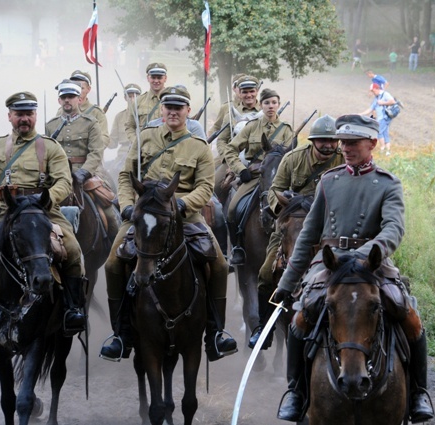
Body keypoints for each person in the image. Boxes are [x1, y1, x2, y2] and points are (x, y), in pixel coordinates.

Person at [272, 114, 434, 423]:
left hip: (372, 264)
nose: (345, 148)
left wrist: (362, 255)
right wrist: (287, 281)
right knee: (300, 317)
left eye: (352, 143)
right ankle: (296, 393)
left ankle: (417, 394)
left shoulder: (388, 183)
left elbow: (393, 230)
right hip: (330, 265)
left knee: (409, 315)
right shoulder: (329, 180)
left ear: (372, 143)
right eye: (343, 142)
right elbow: (308, 234)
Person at [100, 85, 237, 362]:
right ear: (161, 110)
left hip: (186, 215)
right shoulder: (144, 138)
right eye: (168, 107)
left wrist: (183, 205)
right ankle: (121, 333)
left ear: (188, 111)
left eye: (179, 107)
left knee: (220, 264)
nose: (173, 112)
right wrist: (127, 206)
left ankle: (215, 332)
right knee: (113, 263)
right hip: (146, 215)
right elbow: (126, 176)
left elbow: (205, 186)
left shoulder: (198, 146)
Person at [0, 91, 86, 341]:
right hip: (3, 214)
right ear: (10, 117)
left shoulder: (51, 147)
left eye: (29, 114)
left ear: (35, 115)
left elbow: (64, 180)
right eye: (19, 114)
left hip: (44, 213)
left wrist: (47, 198)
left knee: (71, 250)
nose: (24, 119)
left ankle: (73, 309)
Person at [248, 115, 344, 349]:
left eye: (332, 141)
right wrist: (283, 204)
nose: (328, 145)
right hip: (292, 223)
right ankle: (264, 328)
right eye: (323, 140)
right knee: (265, 273)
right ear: (313, 141)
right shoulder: (292, 159)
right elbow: (274, 189)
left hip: (329, 228)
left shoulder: (343, 161)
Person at [222, 88, 294, 266]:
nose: (271, 106)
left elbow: (294, 154)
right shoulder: (251, 126)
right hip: (254, 176)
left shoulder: (286, 129)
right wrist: (240, 169)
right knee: (232, 209)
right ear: (260, 105)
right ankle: (238, 247)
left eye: (274, 102)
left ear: (278, 105)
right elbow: (230, 149)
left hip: (281, 179)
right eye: (267, 103)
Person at [45, 79, 119, 236]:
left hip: (88, 173)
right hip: (58, 174)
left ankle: (115, 249)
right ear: (59, 100)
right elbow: (46, 153)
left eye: (71, 96)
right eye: (64, 97)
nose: (67, 100)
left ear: (79, 99)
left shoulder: (91, 123)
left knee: (108, 208)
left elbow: (96, 152)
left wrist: (84, 172)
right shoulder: (51, 125)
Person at [212, 75, 262, 205]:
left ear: (257, 91)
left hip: (260, 160)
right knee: (215, 187)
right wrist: (228, 159)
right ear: (239, 92)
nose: (248, 95)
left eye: (252, 91)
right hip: (233, 159)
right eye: (244, 92)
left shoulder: (265, 112)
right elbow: (222, 140)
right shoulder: (230, 113)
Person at [58, 70, 111, 148]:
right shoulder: (61, 111)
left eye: (81, 88)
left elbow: (104, 139)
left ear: (88, 89)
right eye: (74, 88)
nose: (78, 91)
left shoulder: (96, 113)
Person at [125, 62, 168, 146]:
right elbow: (130, 126)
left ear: (165, 78)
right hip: (144, 150)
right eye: (153, 77)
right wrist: (136, 142)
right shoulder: (138, 102)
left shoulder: (173, 99)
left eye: (159, 77)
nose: (156, 81)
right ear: (148, 78)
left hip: (167, 148)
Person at [106, 83, 142, 181]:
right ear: (125, 98)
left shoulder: (145, 115)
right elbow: (112, 144)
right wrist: (101, 134)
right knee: (111, 176)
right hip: (123, 155)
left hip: (141, 153)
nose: (132, 99)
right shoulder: (119, 117)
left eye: (135, 96)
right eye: (129, 96)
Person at [359, 82, 396, 155]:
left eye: (373, 91)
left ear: (377, 89)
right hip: (381, 118)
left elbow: (392, 101)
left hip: (384, 118)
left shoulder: (385, 94)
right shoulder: (376, 98)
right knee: (385, 134)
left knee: (379, 132)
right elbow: (370, 109)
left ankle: (382, 148)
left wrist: (382, 103)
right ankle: (388, 151)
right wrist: (360, 114)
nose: (372, 92)